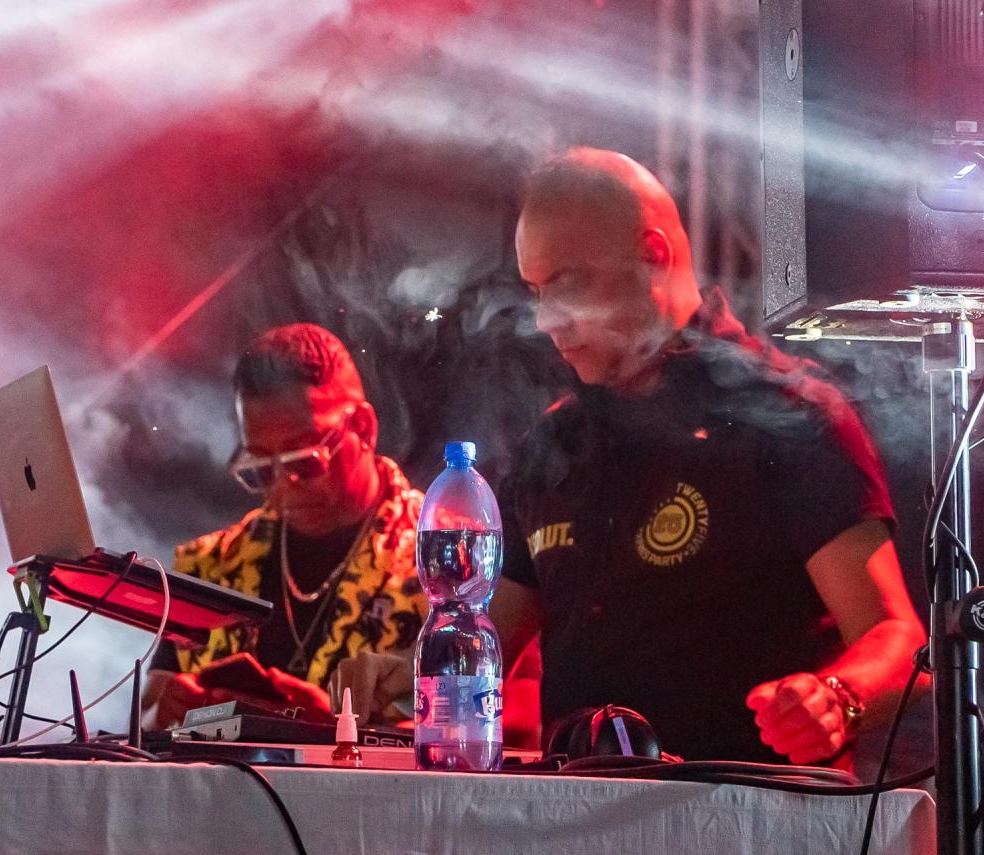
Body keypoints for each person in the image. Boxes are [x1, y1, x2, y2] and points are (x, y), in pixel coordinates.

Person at [338, 148, 928, 766]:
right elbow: (482, 651)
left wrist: (837, 698)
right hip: (572, 809)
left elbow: (897, 636)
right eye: (536, 291)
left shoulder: (787, 417)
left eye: (568, 283)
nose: (546, 319)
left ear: (654, 255)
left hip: (747, 809)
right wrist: (399, 681)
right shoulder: (553, 445)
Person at [142, 323, 429, 730]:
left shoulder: (442, 557)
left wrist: (325, 729)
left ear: (363, 428)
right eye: (260, 469)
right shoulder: (210, 568)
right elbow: (145, 715)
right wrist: (165, 712)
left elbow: (488, 727)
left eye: (305, 461)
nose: (282, 486)